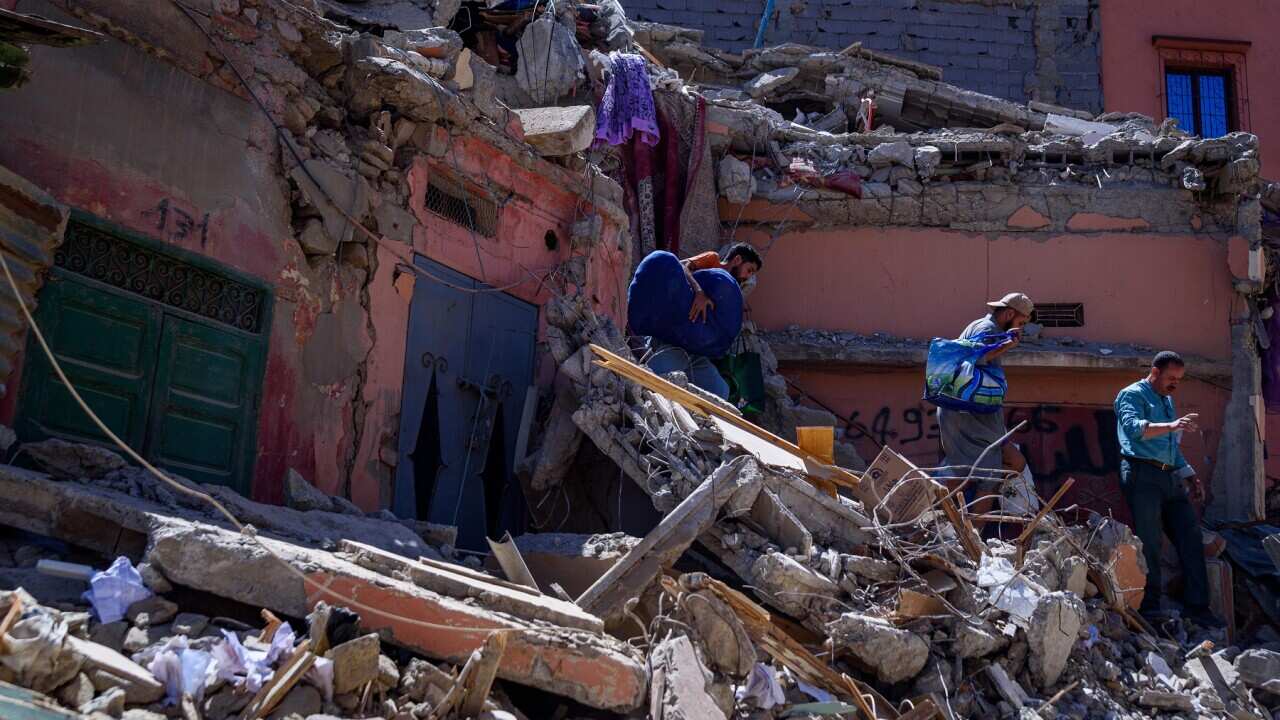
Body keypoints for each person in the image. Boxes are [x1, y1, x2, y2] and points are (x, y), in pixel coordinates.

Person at [1114, 351, 1222, 628]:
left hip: (1170, 476)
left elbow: (1172, 445)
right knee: (1150, 542)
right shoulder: (1131, 395)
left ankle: (1198, 607)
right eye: (1171, 378)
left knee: (1190, 536)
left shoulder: (1167, 400)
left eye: (1179, 379)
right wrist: (1172, 425)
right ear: (1154, 372)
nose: (1175, 383)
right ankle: (1150, 607)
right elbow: (1134, 429)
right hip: (1142, 474)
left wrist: (1189, 474)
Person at [936, 292, 1033, 520]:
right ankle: (971, 531)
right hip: (969, 414)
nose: (1020, 329)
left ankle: (948, 516)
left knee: (995, 467)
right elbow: (973, 359)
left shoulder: (983, 327)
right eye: (1020, 323)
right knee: (987, 475)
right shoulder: (988, 329)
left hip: (970, 412)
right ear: (1009, 314)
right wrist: (1005, 345)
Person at [645, 243, 763, 399]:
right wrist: (699, 292)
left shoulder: (729, 289)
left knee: (721, 392)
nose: (748, 276)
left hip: (696, 352)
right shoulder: (712, 259)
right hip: (674, 342)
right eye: (749, 270)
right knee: (652, 380)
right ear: (737, 260)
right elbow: (682, 266)